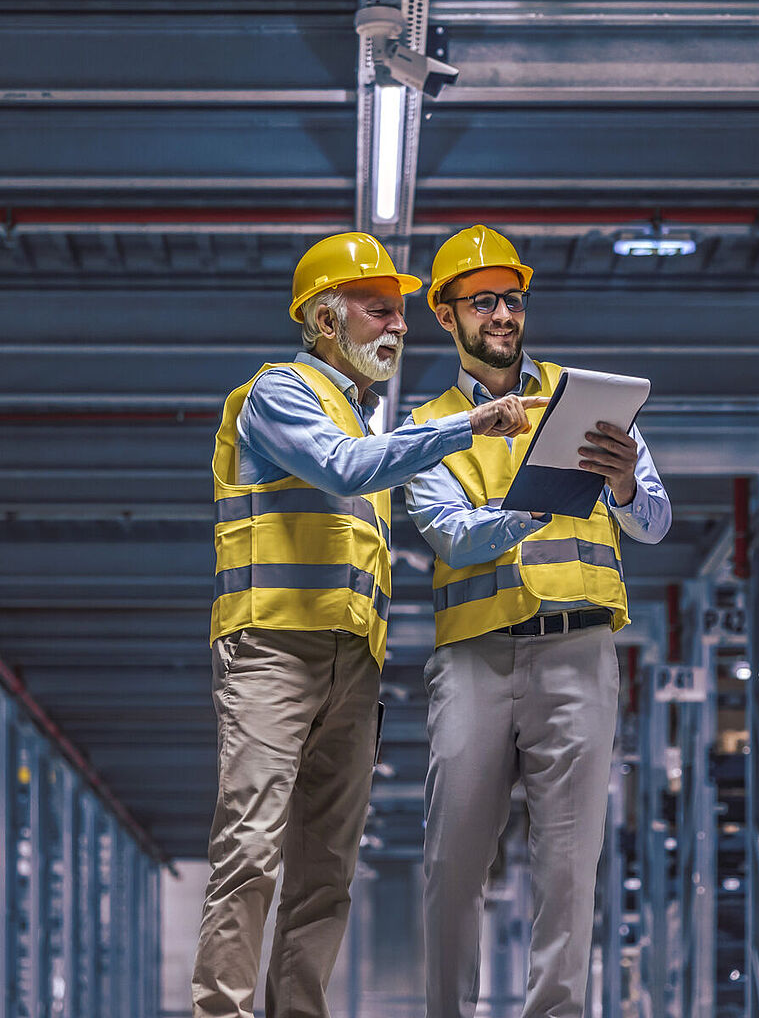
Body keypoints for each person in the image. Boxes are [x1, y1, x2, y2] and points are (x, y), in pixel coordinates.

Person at [193, 232, 544, 1018]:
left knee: (327, 869)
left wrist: (535, 505)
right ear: (324, 319)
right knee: (250, 849)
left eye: (400, 314)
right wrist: (469, 426)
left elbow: (427, 518)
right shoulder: (280, 394)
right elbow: (347, 468)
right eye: (376, 309)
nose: (396, 325)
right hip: (272, 655)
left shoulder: (366, 427)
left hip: (353, 668)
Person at [405, 225, 672, 1018]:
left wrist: (623, 485)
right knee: (453, 861)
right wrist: (540, 495)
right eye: (481, 301)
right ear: (445, 316)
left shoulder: (588, 405)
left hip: (580, 653)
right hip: (474, 663)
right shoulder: (430, 430)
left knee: (568, 864)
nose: (502, 315)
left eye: (512, 300)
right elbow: (452, 533)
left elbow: (653, 524)